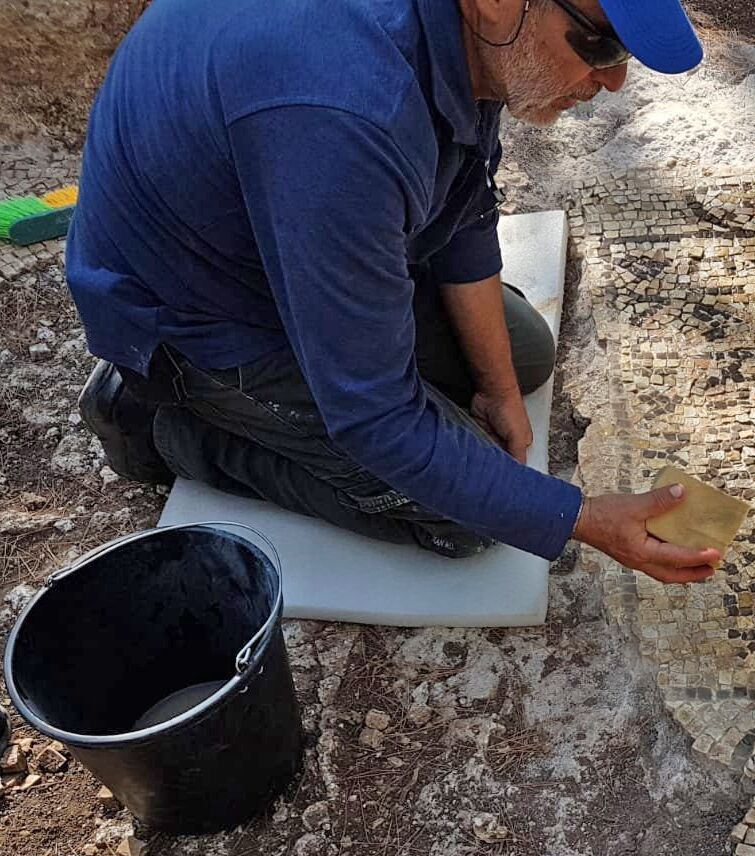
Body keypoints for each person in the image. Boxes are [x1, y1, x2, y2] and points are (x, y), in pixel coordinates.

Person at [68, 0, 721, 585]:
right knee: (472, 522)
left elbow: (462, 206)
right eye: (601, 47)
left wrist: (495, 389)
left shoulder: (474, 36)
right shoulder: (342, 112)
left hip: (289, 240)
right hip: (197, 318)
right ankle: (169, 428)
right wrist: (576, 517)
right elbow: (373, 414)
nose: (612, 82)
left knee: (522, 357)